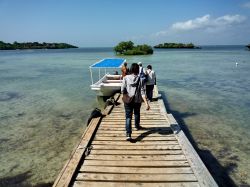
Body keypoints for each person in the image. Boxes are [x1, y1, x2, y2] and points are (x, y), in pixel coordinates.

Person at [121, 63, 150, 141]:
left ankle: (128, 134)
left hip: (128, 100)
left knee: (128, 117)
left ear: (130, 69)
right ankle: (137, 126)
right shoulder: (140, 79)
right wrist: (146, 103)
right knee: (137, 113)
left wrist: (126, 95)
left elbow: (122, 89)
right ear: (137, 70)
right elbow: (142, 92)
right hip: (137, 100)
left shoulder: (125, 78)